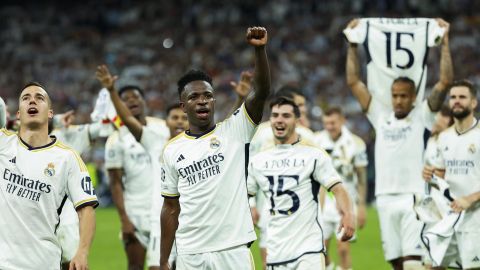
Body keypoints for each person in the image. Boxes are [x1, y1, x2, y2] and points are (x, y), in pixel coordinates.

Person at [159, 26, 271, 270]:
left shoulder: (235, 130)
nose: (202, 101)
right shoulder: (171, 150)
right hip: (191, 252)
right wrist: (163, 259)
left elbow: (261, 92)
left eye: (207, 96)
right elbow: (170, 207)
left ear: (214, 100)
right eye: (194, 97)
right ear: (183, 106)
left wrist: (260, 51)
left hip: (233, 248)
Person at [346, 18, 452, 270]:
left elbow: (445, 82)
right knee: (395, 262)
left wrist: (444, 43)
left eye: (404, 96)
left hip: (412, 197)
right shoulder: (380, 116)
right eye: (395, 95)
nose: (398, 100)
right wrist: (352, 44)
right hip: (383, 198)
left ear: (414, 97)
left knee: (412, 263)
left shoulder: (422, 116)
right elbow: (353, 82)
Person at [96, 64, 188, 269]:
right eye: (125, 99)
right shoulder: (120, 139)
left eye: (135, 97)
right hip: (138, 213)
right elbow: (115, 183)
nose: (132, 101)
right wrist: (124, 219)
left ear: (145, 101)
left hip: (170, 214)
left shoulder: (161, 129)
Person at [247, 97, 355, 269]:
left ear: (297, 121)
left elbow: (338, 189)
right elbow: (244, 197)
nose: (279, 120)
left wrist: (348, 214)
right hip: (275, 250)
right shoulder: (259, 161)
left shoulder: (313, 155)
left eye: (286, 115)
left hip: (309, 249)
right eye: (275, 115)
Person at [0, 82, 98, 270]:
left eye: (40, 98)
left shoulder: (67, 158)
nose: (32, 101)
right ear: (18, 114)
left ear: (50, 113)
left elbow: (86, 210)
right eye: (26, 98)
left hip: (43, 262)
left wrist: (82, 251)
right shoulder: (3, 143)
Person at [422, 80, 480, 270]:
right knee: (433, 265)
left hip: (475, 217)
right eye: (453, 97)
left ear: (473, 103)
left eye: (462, 97)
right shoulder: (444, 137)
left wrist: (470, 199)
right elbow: (441, 178)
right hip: (450, 216)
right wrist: (430, 175)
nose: (456, 101)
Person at [315, 107, 368, 270]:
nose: (329, 126)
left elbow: (361, 177)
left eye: (333, 122)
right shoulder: (316, 140)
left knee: (343, 249)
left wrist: (361, 206)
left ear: (343, 121)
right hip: (322, 201)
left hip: (346, 202)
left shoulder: (356, 143)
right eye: (326, 123)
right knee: (319, 249)